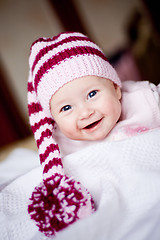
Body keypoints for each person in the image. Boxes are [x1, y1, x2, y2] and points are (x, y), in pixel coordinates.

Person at [27, 31, 160, 237]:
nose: (85, 112)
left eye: (92, 94)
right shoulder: (60, 147)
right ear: (54, 119)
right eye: (66, 108)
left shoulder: (145, 100)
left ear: (116, 89)